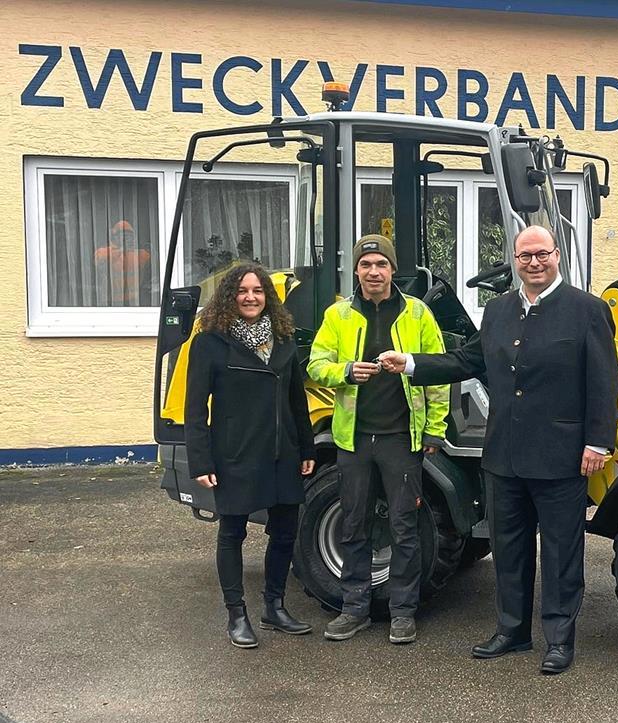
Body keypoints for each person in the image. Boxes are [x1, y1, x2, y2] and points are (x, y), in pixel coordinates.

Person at [379, 225, 618, 674]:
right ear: (514, 260)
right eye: (525, 256)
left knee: (562, 553)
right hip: (504, 456)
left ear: (557, 256)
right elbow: (466, 361)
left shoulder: (587, 310)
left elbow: (604, 382)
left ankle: (559, 639)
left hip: (562, 455)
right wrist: (409, 363)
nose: (533, 263)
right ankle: (512, 632)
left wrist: (598, 442)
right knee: (509, 549)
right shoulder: (498, 311)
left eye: (541, 255)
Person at [307, 234, 449, 645]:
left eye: (381, 264)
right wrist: (347, 371)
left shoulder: (417, 314)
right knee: (353, 524)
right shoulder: (338, 316)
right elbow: (316, 365)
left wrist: (435, 428)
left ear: (392, 270)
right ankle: (353, 609)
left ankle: (403, 612)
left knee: (404, 528)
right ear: (356, 270)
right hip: (353, 439)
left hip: (400, 438)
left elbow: (436, 372)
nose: (373, 272)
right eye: (366, 264)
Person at [184, 263, 316, 649]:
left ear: (267, 298)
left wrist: (306, 447)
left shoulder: (284, 339)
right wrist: (201, 461)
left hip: (282, 454)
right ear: (230, 296)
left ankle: (273, 607)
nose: (250, 297)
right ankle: (236, 614)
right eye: (242, 291)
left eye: (258, 291)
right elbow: (195, 410)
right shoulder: (210, 342)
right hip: (235, 456)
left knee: (285, 531)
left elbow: (296, 400)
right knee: (232, 533)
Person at [94, 220, 152, 306]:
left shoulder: (139, 254)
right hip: (110, 300)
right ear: (114, 237)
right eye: (123, 235)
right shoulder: (103, 252)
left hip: (134, 299)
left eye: (129, 236)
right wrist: (121, 249)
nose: (126, 238)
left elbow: (153, 261)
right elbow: (99, 259)